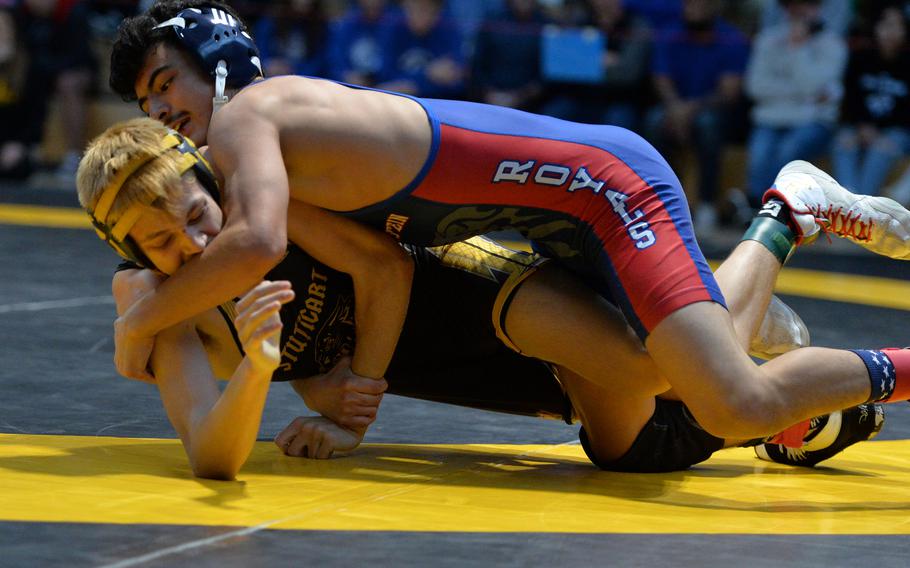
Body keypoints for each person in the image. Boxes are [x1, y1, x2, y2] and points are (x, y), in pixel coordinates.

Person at [104, 1, 910, 457]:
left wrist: (141, 318)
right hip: (549, 228)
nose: (160, 110)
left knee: (733, 402)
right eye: (146, 103)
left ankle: (784, 219)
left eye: (164, 83)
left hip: (600, 192)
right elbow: (370, 258)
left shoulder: (250, 116)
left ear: (213, 58)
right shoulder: (267, 148)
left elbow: (257, 245)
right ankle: (783, 218)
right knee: (662, 408)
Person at [77, 117, 881, 478]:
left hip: (472, 289)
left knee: (662, 376)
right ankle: (768, 291)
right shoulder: (161, 304)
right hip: (479, 367)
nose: (190, 245)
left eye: (194, 214)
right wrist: (255, 370)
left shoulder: (263, 218)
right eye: (160, 243)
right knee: (632, 446)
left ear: (213, 185)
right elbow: (211, 455)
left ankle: (780, 219)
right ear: (127, 251)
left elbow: (386, 269)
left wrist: (350, 399)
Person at [744, 0, 847, 206]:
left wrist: (798, 48)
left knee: (788, 151)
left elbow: (811, 86)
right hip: (771, 117)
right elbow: (755, 87)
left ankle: (772, 208)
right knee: (759, 155)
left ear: (818, 8)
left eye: (807, 5)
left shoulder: (833, 44)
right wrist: (804, 94)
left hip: (813, 121)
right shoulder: (768, 40)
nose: (800, 10)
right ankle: (757, 207)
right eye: (794, 5)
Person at [832, 5, 910, 197]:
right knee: (843, 143)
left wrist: (877, 132)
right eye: (885, 25)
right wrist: (862, 127)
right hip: (859, 126)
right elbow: (850, 100)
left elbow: (907, 112)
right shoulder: (860, 58)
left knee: (881, 150)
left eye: (896, 26)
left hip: (897, 130)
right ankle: (848, 202)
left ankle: (860, 209)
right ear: (875, 26)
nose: (890, 32)